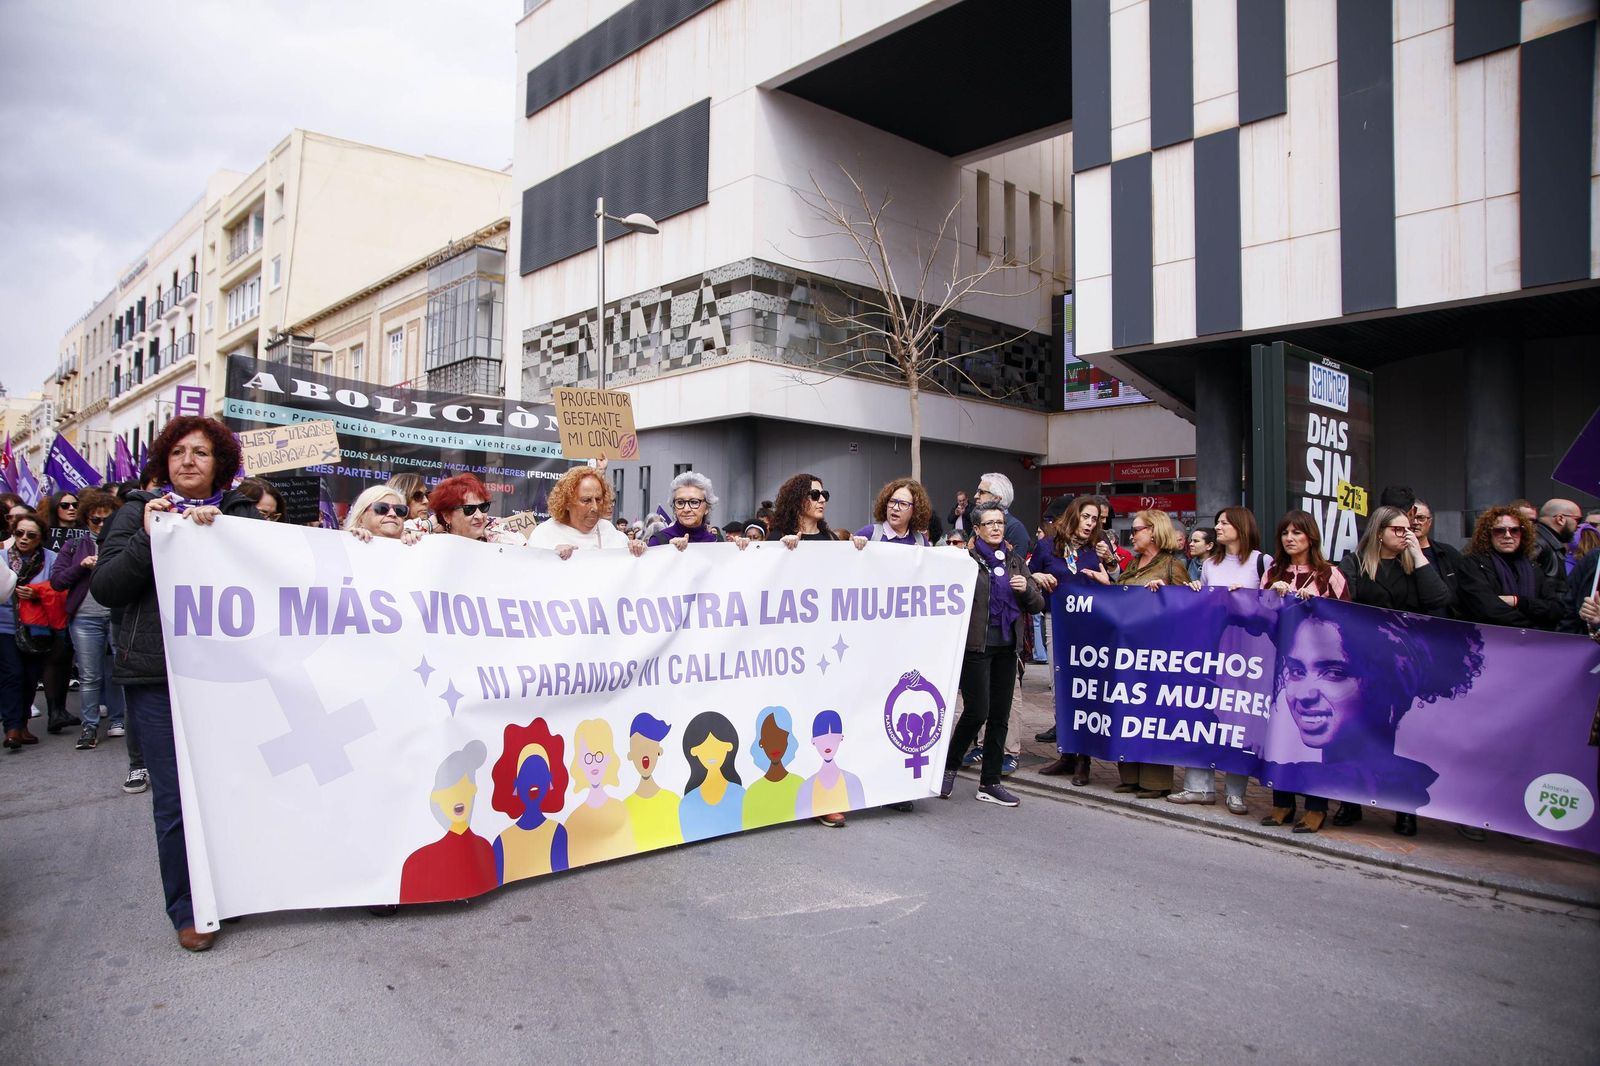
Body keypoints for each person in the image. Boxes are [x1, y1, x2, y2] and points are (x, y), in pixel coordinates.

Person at [89, 415, 262, 951]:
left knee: (230, 789)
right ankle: (189, 909)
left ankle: (230, 892)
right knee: (174, 799)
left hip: (227, 677)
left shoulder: (239, 514)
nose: (189, 460)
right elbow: (109, 588)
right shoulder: (136, 514)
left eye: (202, 453)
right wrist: (150, 539)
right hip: (156, 675)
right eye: (179, 452)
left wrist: (228, 538)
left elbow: (275, 577)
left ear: (220, 466)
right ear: (165, 460)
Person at [1267, 601, 1484, 816]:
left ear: (1391, 685)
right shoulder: (1293, 770)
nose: (1305, 694)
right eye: (1296, 671)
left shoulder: (1407, 783)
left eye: (1334, 673)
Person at [1331, 506, 1451, 835]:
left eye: (1408, 529)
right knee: (1356, 732)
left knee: (1399, 736)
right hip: (1360, 662)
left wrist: (1417, 553)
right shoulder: (1354, 562)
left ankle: (1402, 808)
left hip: (1402, 665)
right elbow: (1340, 601)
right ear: (1379, 531)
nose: (1405, 534)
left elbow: (1438, 599)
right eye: (1398, 530)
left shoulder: (1413, 565)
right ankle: (1350, 801)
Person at [938, 502, 1044, 808]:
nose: (996, 527)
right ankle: (948, 766)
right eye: (989, 523)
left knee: (1000, 716)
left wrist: (1026, 589)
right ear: (978, 529)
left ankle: (990, 781)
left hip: (1006, 648)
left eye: (1000, 522)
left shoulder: (1014, 561)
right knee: (977, 711)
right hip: (976, 647)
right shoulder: (966, 560)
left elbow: (1038, 605)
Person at [1169, 506, 1267, 815]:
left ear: (1242, 526)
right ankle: (1199, 786)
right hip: (1214, 647)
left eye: (1225, 523)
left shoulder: (1262, 562)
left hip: (1248, 651)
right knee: (1202, 714)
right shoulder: (1210, 563)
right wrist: (1198, 590)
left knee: (1240, 719)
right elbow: (1207, 604)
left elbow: (1270, 606)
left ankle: (1236, 792)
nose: (1219, 528)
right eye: (1219, 523)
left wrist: (1247, 597)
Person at [1258, 510, 1350, 833]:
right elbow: (1262, 619)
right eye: (1285, 533)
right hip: (1282, 669)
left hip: (1319, 674)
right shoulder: (1272, 572)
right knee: (1281, 734)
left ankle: (1316, 807)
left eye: (1297, 532)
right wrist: (1272, 597)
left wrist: (1319, 602)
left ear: (1311, 537)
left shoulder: (1330, 575)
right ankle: (1282, 803)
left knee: (1314, 742)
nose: (1290, 538)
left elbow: (1347, 623)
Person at [1106, 510, 1192, 799]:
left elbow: (1187, 610)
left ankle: (1155, 782)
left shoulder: (1171, 566)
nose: (1131, 535)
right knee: (1126, 711)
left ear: (1154, 531)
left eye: (1137, 529)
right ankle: (1129, 775)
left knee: (1153, 716)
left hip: (1156, 654)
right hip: (1126, 652)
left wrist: (1166, 594)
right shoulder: (1131, 565)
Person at [1032, 495, 1109, 782]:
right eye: (1086, 517)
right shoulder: (1046, 546)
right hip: (1057, 622)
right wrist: (1038, 576)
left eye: (1095, 519)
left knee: (1084, 688)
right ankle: (1066, 754)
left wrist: (1109, 571)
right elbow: (1028, 575)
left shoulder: (1097, 551)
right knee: (1060, 685)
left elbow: (1114, 588)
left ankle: (1083, 759)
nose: (1090, 523)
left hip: (1088, 624)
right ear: (1073, 517)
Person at [50, 488, 126, 750]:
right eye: (96, 519)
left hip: (117, 615)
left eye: (108, 519)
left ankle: (118, 720)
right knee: (91, 675)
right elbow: (57, 581)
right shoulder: (74, 546)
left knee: (118, 671)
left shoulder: (123, 542)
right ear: (86, 519)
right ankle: (89, 726)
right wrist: (80, 566)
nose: (102, 525)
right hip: (85, 617)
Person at [398, 740, 497, 903]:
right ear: (436, 797)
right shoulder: (415, 862)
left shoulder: (486, 848)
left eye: (465, 787)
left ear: (474, 789)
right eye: (448, 789)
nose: (457, 795)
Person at [1456, 506, 1568, 632]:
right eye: (1499, 531)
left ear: (1522, 533)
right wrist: (1531, 628)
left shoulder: (1533, 567)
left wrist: (1518, 602)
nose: (1508, 536)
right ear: (1487, 534)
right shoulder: (1473, 564)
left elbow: (1555, 609)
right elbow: (1488, 609)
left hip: (1532, 642)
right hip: (1490, 641)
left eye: (1515, 530)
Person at [489, 719, 569, 883]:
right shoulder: (501, 842)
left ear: (549, 780)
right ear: (516, 783)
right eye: (527, 774)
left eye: (540, 772)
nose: (534, 782)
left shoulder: (558, 832)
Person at [2, 514, 57, 751]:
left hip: (37, 628)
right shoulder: (2, 557)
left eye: (31, 535)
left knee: (30, 676)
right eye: (19, 533)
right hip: (4, 624)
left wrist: (37, 594)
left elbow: (58, 589)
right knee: (12, 674)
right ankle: (12, 727)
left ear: (40, 538)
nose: (24, 539)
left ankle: (22, 724)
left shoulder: (51, 559)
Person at [528, 467, 646, 558]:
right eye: (586, 500)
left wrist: (637, 549)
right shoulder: (544, 535)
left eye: (599, 499)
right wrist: (550, 557)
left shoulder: (609, 532)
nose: (595, 507)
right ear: (567, 503)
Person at [564, 718, 632, 866]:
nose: (594, 763)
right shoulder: (571, 821)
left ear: (609, 758)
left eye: (599, 756)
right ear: (579, 762)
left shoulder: (622, 809)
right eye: (587, 758)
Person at [679, 711, 746, 841]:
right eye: (704, 747)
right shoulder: (686, 804)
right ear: (694, 751)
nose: (710, 753)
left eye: (716, 745)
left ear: (729, 747)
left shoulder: (741, 795)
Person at [771, 473, 867, 560]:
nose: (822, 500)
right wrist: (780, 547)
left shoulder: (831, 538)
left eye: (824, 495)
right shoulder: (779, 536)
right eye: (815, 494)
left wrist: (856, 549)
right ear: (798, 499)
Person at [624, 712, 683, 850]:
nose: (644, 754)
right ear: (630, 754)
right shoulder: (624, 807)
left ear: (659, 751)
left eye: (649, 746)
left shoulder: (674, 801)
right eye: (638, 747)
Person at [743, 706, 803, 829]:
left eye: (780, 736)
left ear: (788, 739)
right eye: (769, 737)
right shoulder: (751, 793)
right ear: (761, 742)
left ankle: (825, 808)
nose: (774, 743)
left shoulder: (801, 785)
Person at [427, 473, 523, 546]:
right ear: (447, 516)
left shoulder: (499, 537)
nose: (480, 516)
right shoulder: (432, 542)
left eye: (483, 507)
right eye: (469, 509)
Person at [647, 472, 730, 549]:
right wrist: (667, 550)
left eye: (694, 502)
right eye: (680, 502)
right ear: (674, 508)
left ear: (707, 508)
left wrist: (741, 550)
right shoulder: (658, 541)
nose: (686, 509)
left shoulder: (716, 542)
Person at [1410, 498, 1463, 615]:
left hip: (1446, 625)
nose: (1415, 522)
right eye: (1411, 517)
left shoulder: (1448, 553)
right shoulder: (1396, 553)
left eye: (1421, 518)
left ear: (1430, 522)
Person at [856, 478, 933, 545]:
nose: (895, 508)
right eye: (892, 501)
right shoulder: (869, 534)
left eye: (903, 504)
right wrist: (855, 544)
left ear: (915, 510)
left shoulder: (921, 541)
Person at [343, 485, 424, 544]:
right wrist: (350, 538)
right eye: (382, 508)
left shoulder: (416, 545)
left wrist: (419, 543)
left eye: (399, 510)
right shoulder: (343, 545)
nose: (393, 514)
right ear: (361, 519)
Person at [973, 473, 1032, 554]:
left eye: (981, 492)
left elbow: (1016, 564)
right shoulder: (978, 522)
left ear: (996, 498)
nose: (976, 496)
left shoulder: (1015, 528)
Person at [1535, 498, 1584, 577]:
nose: (1578, 526)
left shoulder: (1545, 542)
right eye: (1578, 520)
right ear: (1560, 519)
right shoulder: (1538, 543)